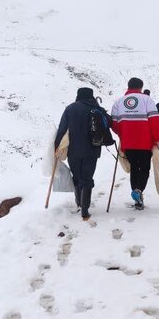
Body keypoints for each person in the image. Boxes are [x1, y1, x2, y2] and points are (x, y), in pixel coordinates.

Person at [54, 87, 108, 221]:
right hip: (93, 150)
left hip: (74, 151)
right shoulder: (96, 108)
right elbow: (109, 123)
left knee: (77, 177)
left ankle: (79, 202)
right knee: (88, 178)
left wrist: (56, 146)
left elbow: (62, 129)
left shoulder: (70, 109)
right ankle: (85, 209)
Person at [111, 77, 159, 210]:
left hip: (128, 143)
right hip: (145, 143)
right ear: (141, 87)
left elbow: (114, 124)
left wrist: (123, 134)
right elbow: (155, 121)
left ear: (128, 87)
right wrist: (157, 139)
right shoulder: (147, 100)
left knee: (134, 168)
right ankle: (139, 191)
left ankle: (137, 195)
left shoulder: (118, 102)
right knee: (144, 169)